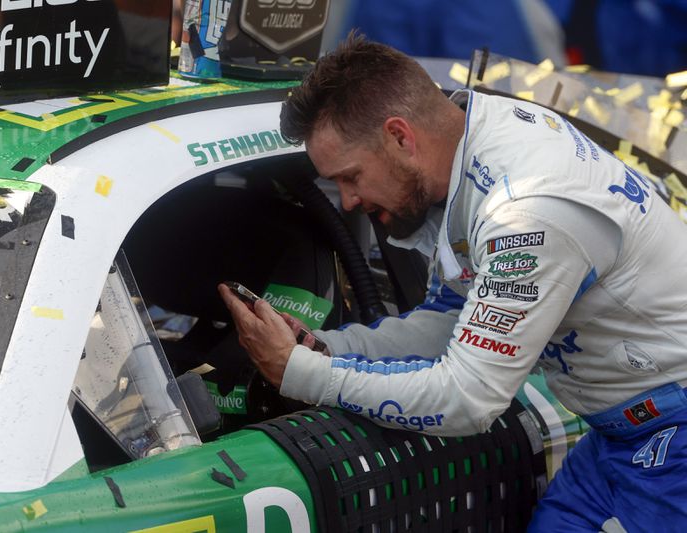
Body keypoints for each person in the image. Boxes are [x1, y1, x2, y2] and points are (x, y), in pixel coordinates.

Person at [217, 34, 687, 531]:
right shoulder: (470, 143)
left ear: (401, 137)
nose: (348, 201)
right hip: (623, 431)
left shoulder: (525, 211)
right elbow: (451, 320)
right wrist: (327, 347)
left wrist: (302, 375)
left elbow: (469, 398)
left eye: (351, 177)